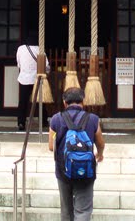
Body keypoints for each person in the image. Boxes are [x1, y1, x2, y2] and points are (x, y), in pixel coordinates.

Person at [48, 87, 105, 221]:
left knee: (66, 211)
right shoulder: (93, 119)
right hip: (86, 170)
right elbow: (100, 143)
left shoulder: (56, 119)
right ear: (82, 102)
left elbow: (51, 147)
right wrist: (100, 154)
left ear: (64, 102)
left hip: (63, 170)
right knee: (83, 210)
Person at [15, 31, 39, 131]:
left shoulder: (21, 49)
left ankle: (21, 122)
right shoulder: (39, 49)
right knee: (38, 100)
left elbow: (19, 63)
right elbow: (46, 65)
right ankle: (43, 120)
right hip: (36, 79)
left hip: (23, 78)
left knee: (23, 101)